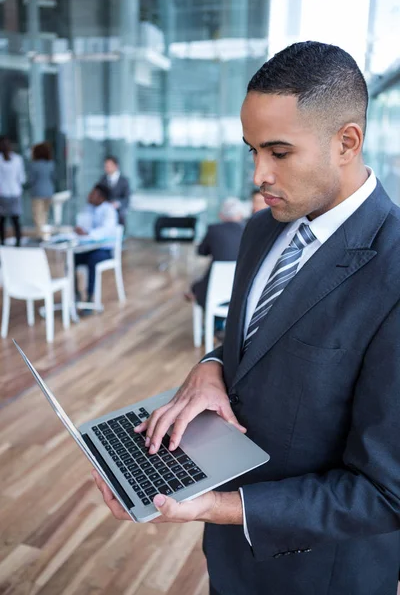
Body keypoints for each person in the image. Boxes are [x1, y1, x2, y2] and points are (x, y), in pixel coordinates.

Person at [92, 41, 400, 595]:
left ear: (347, 142)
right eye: (252, 149)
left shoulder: (395, 269)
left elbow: (384, 493)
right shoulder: (263, 230)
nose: (259, 174)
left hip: (321, 572)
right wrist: (212, 363)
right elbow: (251, 342)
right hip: (232, 557)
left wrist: (219, 506)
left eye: (279, 152)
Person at [186, 197, 245, 309]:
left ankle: (211, 322)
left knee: (196, 287)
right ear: (241, 215)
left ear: (221, 215)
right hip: (241, 287)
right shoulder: (249, 230)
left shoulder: (214, 230)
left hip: (215, 286)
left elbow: (201, 251)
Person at [74, 183, 117, 304]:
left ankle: (90, 297)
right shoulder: (88, 208)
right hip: (88, 248)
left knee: (93, 260)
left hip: (104, 250)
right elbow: (82, 224)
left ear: (101, 197)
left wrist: (87, 233)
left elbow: (106, 230)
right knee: (72, 259)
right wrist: (79, 229)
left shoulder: (109, 210)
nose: (90, 196)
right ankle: (75, 294)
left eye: (93, 194)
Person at [0, 136, 26, 246]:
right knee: (7, 220)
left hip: (10, 192)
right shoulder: (14, 159)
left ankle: (13, 242)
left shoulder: (17, 159)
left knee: (10, 220)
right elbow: (22, 178)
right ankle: (8, 242)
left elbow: (21, 177)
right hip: (6, 193)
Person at [29, 142, 55, 238]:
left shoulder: (34, 165)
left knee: (38, 216)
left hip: (37, 192)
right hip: (48, 192)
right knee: (45, 215)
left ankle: (41, 236)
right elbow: (53, 177)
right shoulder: (51, 164)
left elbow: (31, 179)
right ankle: (45, 234)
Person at [99, 155, 131, 226]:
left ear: (116, 166)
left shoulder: (124, 181)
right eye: (105, 166)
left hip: (119, 215)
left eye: (109, 166)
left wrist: (117, 203)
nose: (106, 168)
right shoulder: (102, 179)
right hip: (104, 216)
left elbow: (127, 199)